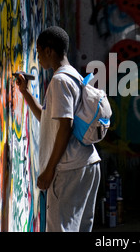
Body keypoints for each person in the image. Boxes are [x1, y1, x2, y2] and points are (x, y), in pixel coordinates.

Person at [15, 26, 101, 232]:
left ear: (48, 51)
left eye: (38, 51)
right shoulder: (74, 76)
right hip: (87, 163)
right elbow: (49, 119)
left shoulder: (59, 81)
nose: (38, 56)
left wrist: (49, 170)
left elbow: (65, 126)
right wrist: (25, 93)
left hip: (69, 168)